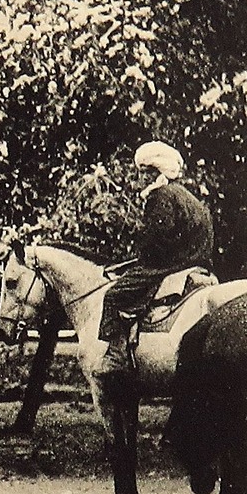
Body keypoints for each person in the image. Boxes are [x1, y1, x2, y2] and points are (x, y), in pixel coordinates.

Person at [95, 141, 216, 375]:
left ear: (157, 171)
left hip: (170, 265)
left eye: (144, 172)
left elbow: (157, 240)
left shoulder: (160, 196)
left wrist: (142, 256)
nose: (139, 179)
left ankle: (116, 356)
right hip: (197, 265)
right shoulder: (192, 199)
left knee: (113, 295)